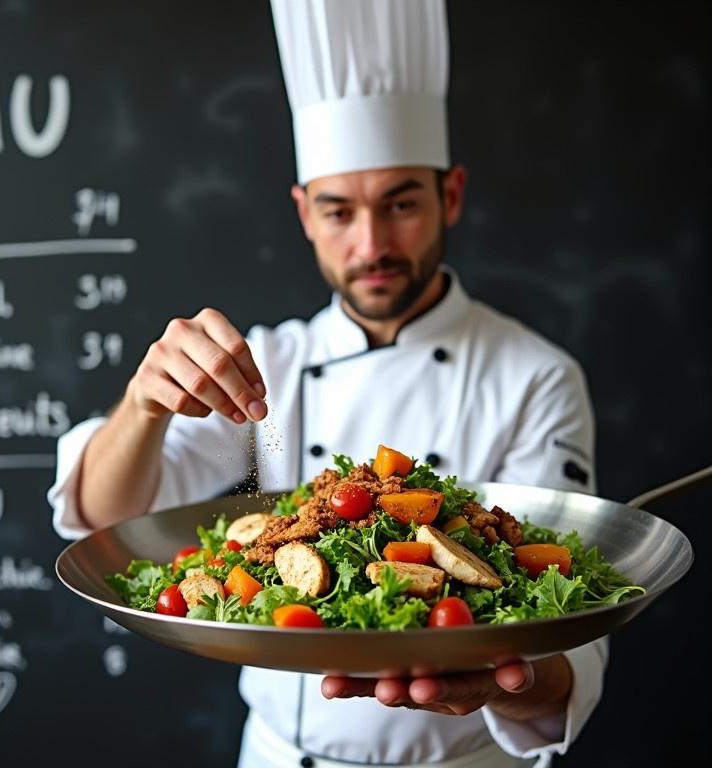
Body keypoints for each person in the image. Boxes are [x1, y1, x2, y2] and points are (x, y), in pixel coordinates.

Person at [48, 1, 606, 766]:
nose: (371, 244)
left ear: (450, 196)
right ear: (305, 214)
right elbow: (112, 520)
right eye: (339, 211)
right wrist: (145, 406)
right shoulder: (267, 379)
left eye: (401, 204)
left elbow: (564, 630)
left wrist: (505, 683)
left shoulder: (533, 376)